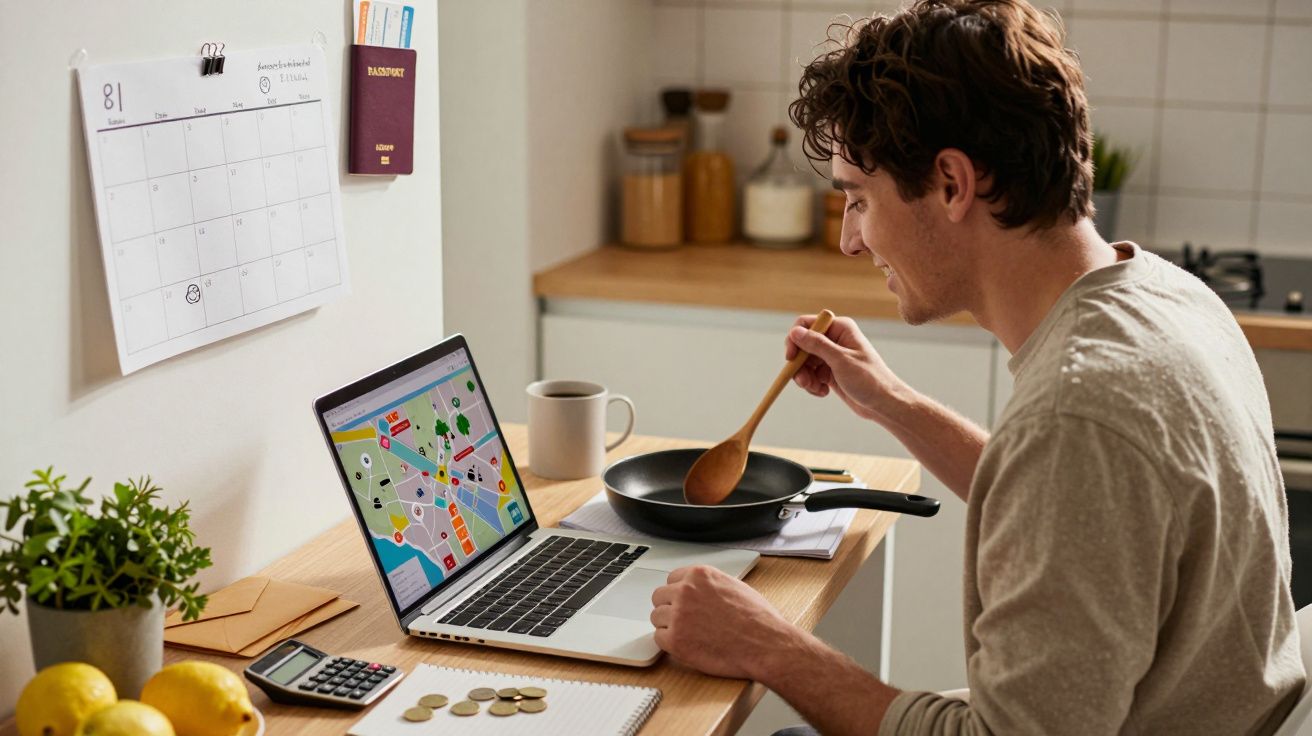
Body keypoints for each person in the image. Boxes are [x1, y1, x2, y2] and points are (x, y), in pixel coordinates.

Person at [647, 0, 1306, 733]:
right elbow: (1079, 519)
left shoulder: (1078, 416)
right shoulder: (1165, 295)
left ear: (953, 184)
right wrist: (890, 400)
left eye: (858, 200)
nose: (850, 242)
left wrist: (769, 646)